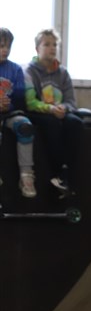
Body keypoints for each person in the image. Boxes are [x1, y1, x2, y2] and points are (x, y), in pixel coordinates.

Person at [24, 28, 83, 196]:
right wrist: (50, 109)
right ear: (37, 48)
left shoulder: (63, 72)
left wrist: (64, 108)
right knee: (52, 123)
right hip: (39, 112)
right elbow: (30, 102)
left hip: (60, 111)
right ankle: (57, 173)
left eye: (55, 45)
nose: (52, 48)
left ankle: (69, 173)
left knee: (76, 123)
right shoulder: (29, 71)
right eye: (47, 44)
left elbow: (71, 102)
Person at [0, 28, 37, 198]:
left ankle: (26, 175)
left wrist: (8, 105)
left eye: (8, 46)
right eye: (1, 46)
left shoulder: (15, 69)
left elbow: (21, 98)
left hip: (9, 113)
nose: (5, 50)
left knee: (25, 126)